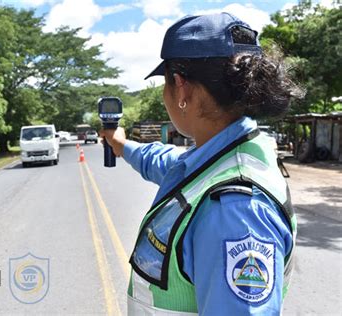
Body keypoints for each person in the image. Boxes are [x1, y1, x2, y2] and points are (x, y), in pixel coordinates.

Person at [100, 13, 303, 315]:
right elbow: (165, 162)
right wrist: (119, 143)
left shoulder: (236, 210)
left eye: (165, 82)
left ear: (181, 88)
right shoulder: (225, 154)